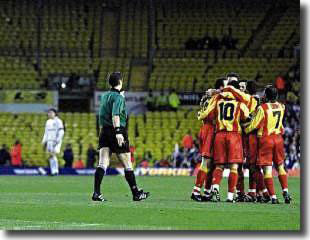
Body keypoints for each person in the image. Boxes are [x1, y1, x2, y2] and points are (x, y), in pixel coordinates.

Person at [92, 72, 150, 202]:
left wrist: (119, 96)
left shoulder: (105, 96)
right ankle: (136, 193)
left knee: (102, 163)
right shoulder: (118, 98)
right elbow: (115, 115)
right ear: (121, 81)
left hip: (104, 131)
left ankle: (96, 193)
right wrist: (118, 132)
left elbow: (109, 107)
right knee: (127, 164)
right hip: (116, 130)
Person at [198, 79, 250, 202]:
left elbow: (208, 114)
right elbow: (246, 117)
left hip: (219, 135)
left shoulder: (218, 100)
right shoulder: (240, 103)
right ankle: (230, 196)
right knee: (234, 167)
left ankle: (215, 187)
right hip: (234, 136)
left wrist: (200, 115)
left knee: (219, 166)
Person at [245, 86, 292, 204]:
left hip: (266, 139)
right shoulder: (282, 106)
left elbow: (255, 124)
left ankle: (273, 197)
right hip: (278, 139)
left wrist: (245, 130)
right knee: (280, 167)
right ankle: (285, 190)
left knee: (267, 170)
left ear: (266, 95)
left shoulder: (263, 108)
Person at [191, 77, 225, 202]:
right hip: (209, 129)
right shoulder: (215, 98)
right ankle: (196, 191)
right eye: (225, 86)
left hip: (208, 129)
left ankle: (206, 191)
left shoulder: (211, 97)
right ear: (220, 87)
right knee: (206, 161)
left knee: (211, 163)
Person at [42, 108, 65, 176]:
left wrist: (57, 140)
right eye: (49, 113)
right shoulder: (48, 122)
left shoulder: (58, 121)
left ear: (55, 113)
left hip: (55, 141)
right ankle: (53, 171)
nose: (50, 114)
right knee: (51, 156)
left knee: (53, 154)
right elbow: (46, 132)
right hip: (49, 141)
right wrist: (44, 141)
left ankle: (55, 171)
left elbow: (61, 131)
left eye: (51, 112)